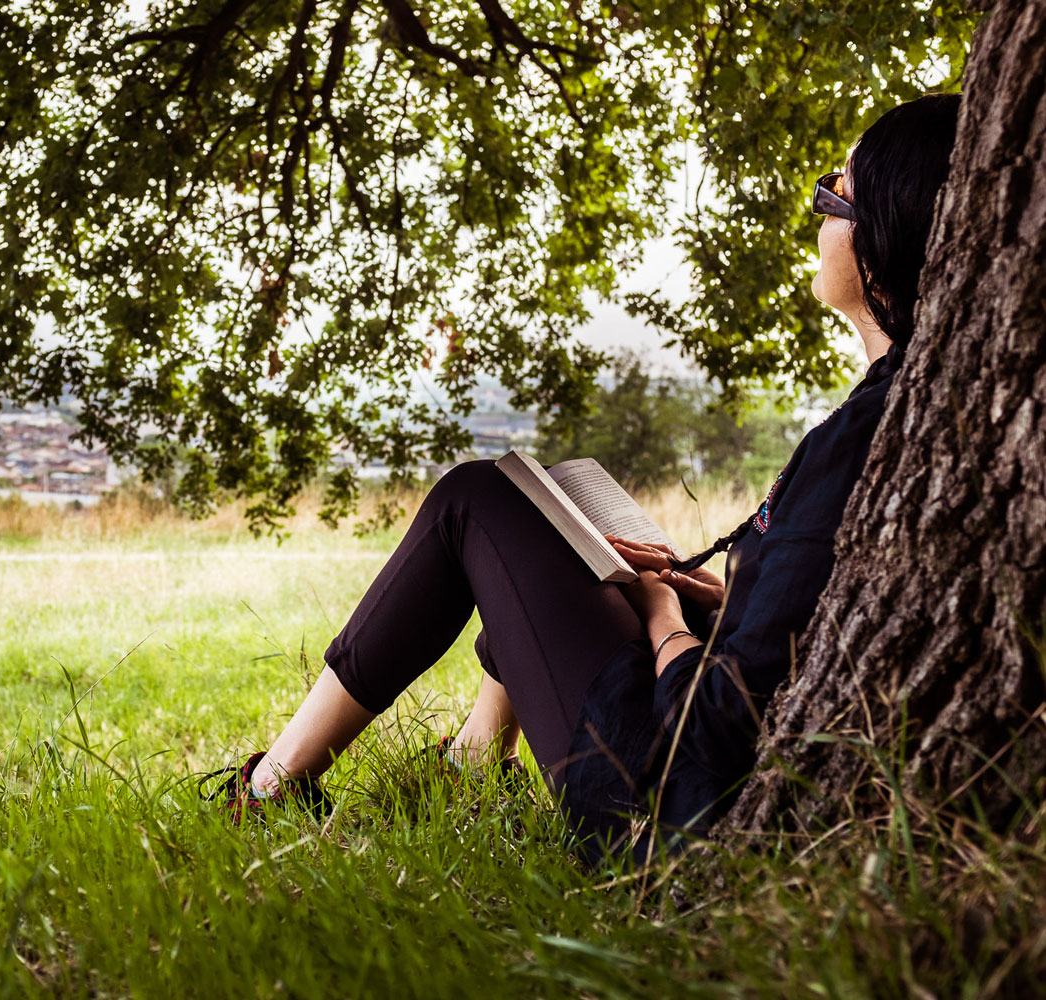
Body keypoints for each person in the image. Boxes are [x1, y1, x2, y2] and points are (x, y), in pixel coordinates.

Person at [203, 93, 964, 862]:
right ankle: (470, 762)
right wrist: (726, 600)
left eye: (833, 197)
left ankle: (269, 789)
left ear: (883, 240)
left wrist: (665, 614)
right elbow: (815, 627)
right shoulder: (901, 409)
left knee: (475, 500)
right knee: (560, 531)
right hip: (714, 762)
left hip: (671, 813)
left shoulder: (869, 435)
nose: (820, 218)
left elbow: (717, 738)